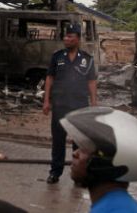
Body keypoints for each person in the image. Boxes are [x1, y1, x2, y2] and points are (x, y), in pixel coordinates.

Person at [60, 106, 137, 212]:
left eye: (85, 149)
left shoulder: (115, 209)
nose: (75, 153)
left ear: (105, 163)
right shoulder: (119, 205)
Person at [42, 23, 97, 183]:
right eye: (65, 36)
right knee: (58, 141)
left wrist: (93, 102)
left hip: (79, 105)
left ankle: (78, 175)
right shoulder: (57, 56)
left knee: (78, 142)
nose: (66, 39)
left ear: (78, 39)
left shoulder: (87, 59)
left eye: (70, 36)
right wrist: (46, 100)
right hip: (59, 105)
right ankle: (55, 172)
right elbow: (49, 78)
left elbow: (92, 81)